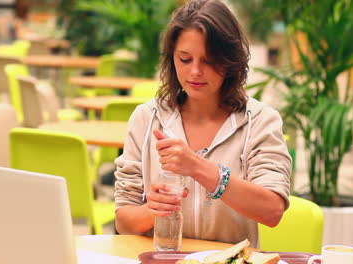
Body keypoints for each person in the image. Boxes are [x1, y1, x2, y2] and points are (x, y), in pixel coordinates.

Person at [114, 0, 291, 248]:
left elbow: (272, 210)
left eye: (208, 61)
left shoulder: (260, 121)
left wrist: (197, 167)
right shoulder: (147, 118)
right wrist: (152, 211)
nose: (195, 72)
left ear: (230, 61)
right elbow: (123, 221)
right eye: (184, 59)